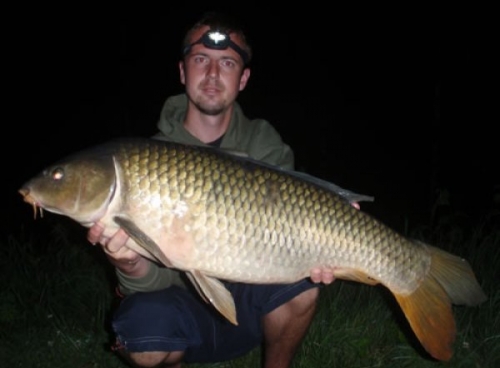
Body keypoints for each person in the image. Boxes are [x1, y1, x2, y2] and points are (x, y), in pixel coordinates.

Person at [88, 12, 339, 368]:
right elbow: (152, 283)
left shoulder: (264, 144)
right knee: (141, 332)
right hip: (183, 313)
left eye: (227, 63)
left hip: (251, 308)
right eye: (201, 60)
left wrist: (325, 240)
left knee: (302, 289)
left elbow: (290, 230)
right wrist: (130, 265)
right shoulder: (146, 161)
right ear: (182, 71)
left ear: (243, 78)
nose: (212, 74)